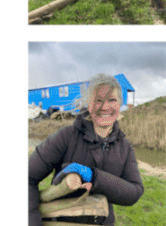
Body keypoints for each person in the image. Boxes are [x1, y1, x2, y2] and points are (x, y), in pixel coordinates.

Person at [28, 73, 143, 226]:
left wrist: (93, 177)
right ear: (89, 104)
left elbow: (134, 192)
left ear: (120, 104)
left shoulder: (125, 147)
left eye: (112, 100)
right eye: (98, 100)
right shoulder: (66, 136)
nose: (105, 107)